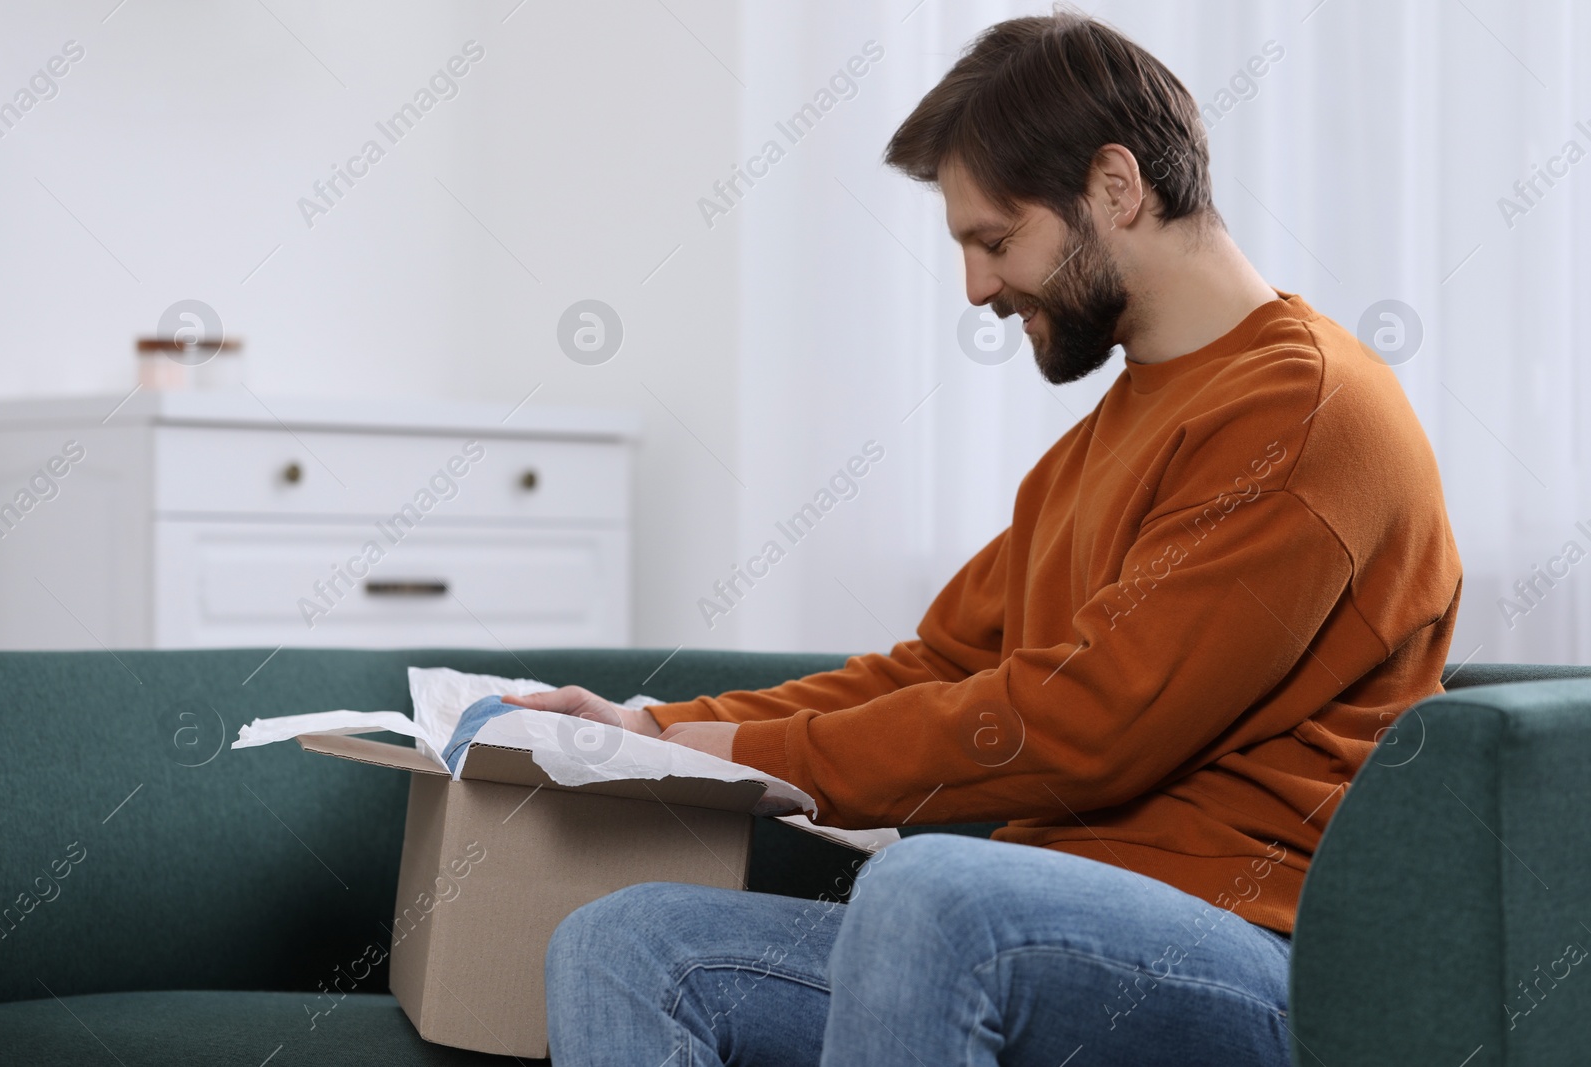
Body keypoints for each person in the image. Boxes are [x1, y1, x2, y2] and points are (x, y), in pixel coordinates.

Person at [509, 7, 1462, 1065]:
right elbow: (938, 664)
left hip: (1256, 956)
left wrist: (743, 751)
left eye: (994, 240)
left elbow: (1094, 722)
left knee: (930, 891)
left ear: (1114, 187)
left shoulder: (1304, 411)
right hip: (1024, 927)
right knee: (623, 941)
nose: (975, 288)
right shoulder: (1089, 451)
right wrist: (656, 724)